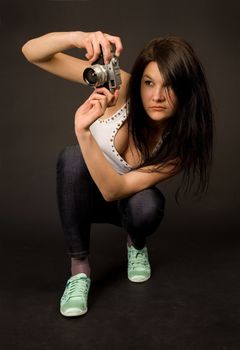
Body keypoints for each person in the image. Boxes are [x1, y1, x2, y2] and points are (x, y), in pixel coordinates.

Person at [21, 30, 213, 317]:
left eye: (170, 86)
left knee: (148, 204)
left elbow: (114, 191)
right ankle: (79, 271)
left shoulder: (181, 145)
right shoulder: (121, 87)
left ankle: (135, 243)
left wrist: (83, 132)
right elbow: (32, 52)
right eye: (149, 83)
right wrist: (77, 37)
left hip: (123, 203)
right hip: (82, 196)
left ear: (187, 89)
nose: (157, 96)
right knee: (72, 159)